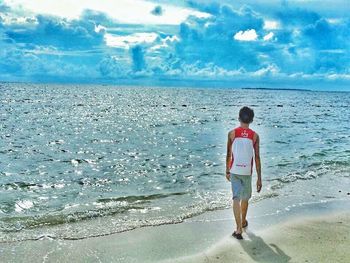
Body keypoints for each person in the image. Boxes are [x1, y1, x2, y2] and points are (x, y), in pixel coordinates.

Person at [226, 106, 262, 240]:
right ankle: (243, 221)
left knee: (236, 198)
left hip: (234, 170)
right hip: (247, 172)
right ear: (251, 120)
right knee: (245, 198)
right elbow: (257, 157)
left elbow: (228, 154)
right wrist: (259, 178)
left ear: (239, 118)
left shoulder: (232, 133)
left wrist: (227, 170)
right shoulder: (255, 136)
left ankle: (238, 229)